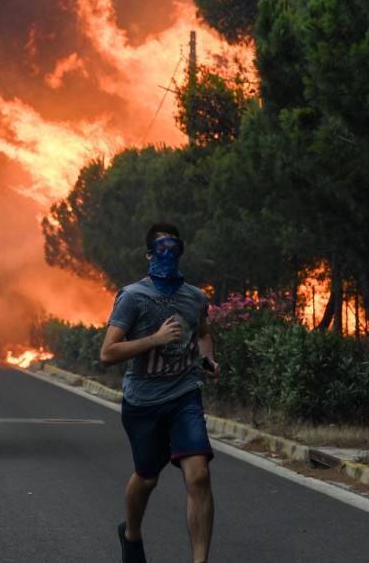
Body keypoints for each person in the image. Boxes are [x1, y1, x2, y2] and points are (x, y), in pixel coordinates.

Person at [100, 223, 219, 563]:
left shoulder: (194, 297)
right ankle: (131, 533)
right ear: (148, 254)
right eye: (161, 249)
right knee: (147, 477)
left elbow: (203, 332)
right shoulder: (132, 297)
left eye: (175, 248)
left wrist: (209, 359)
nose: (169, 255)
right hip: (143, 401)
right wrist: (155, 339)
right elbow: (108, 353)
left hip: (184, 395)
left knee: (198, 475)